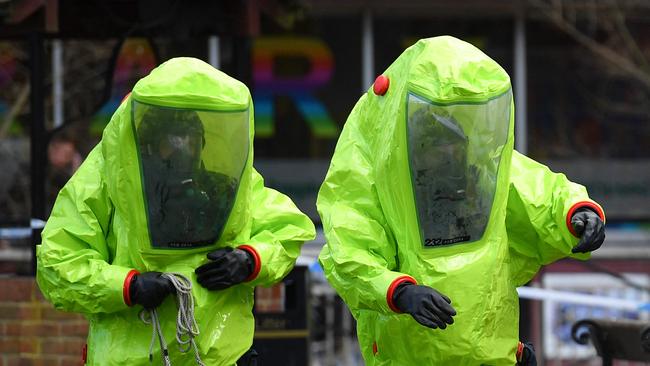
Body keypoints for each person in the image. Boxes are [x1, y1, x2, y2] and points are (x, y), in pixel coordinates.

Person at [317, 36, 605, 365]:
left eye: (452, 139)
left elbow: (537, 193)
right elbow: (349, 254)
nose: (448, 151)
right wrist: (399, 292)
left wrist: (577, 214)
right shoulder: (373, 178)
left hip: (492, 354)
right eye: (434, 141)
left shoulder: (478, 175)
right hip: (412, 356)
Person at [37, 57, 316, 365]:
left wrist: (249, 259)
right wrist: (128, 286)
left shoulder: (223, 188)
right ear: (147, 142)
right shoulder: (105, 182)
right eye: (172, 139)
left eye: (191, 138)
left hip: (218, 356)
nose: (183, 149)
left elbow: (286, 229)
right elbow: (58, 263)